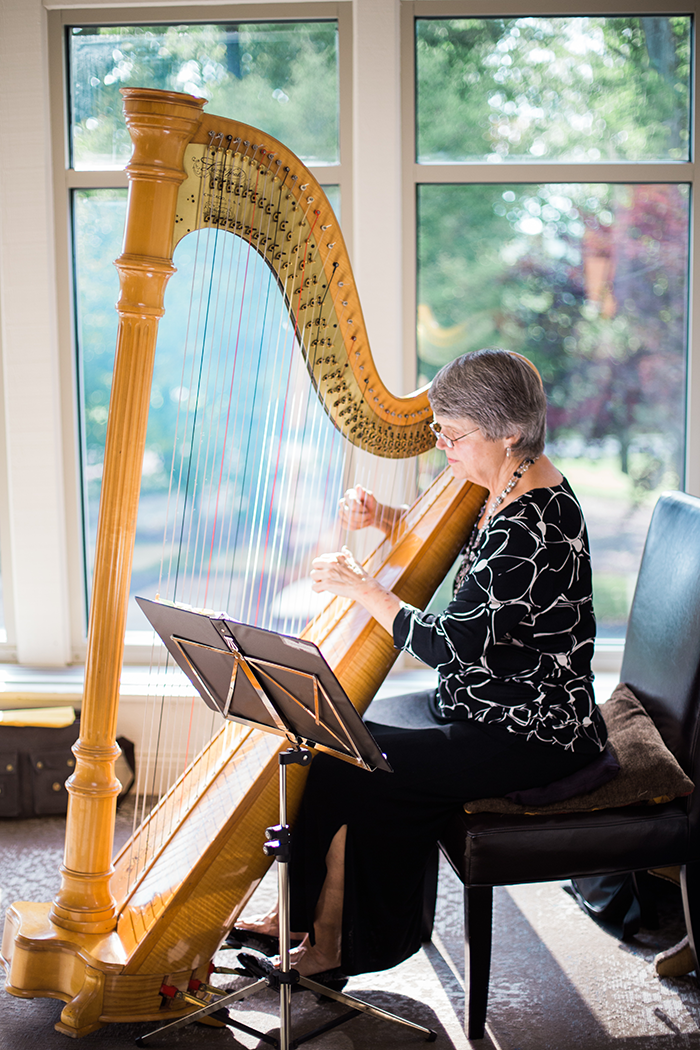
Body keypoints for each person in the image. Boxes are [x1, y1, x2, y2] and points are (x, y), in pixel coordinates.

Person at [232, 347, 607, 984]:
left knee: (358, 756)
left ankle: (331, 946)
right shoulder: (510, 482)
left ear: (508, 431)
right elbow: (479, 571)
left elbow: (447, 644)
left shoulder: (532, 525)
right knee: (340, 743)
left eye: (452, 434)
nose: (440, 445)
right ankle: (302, 917)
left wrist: (366, 590)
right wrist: (385, 518)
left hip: (532, 728)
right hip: (484, 702)